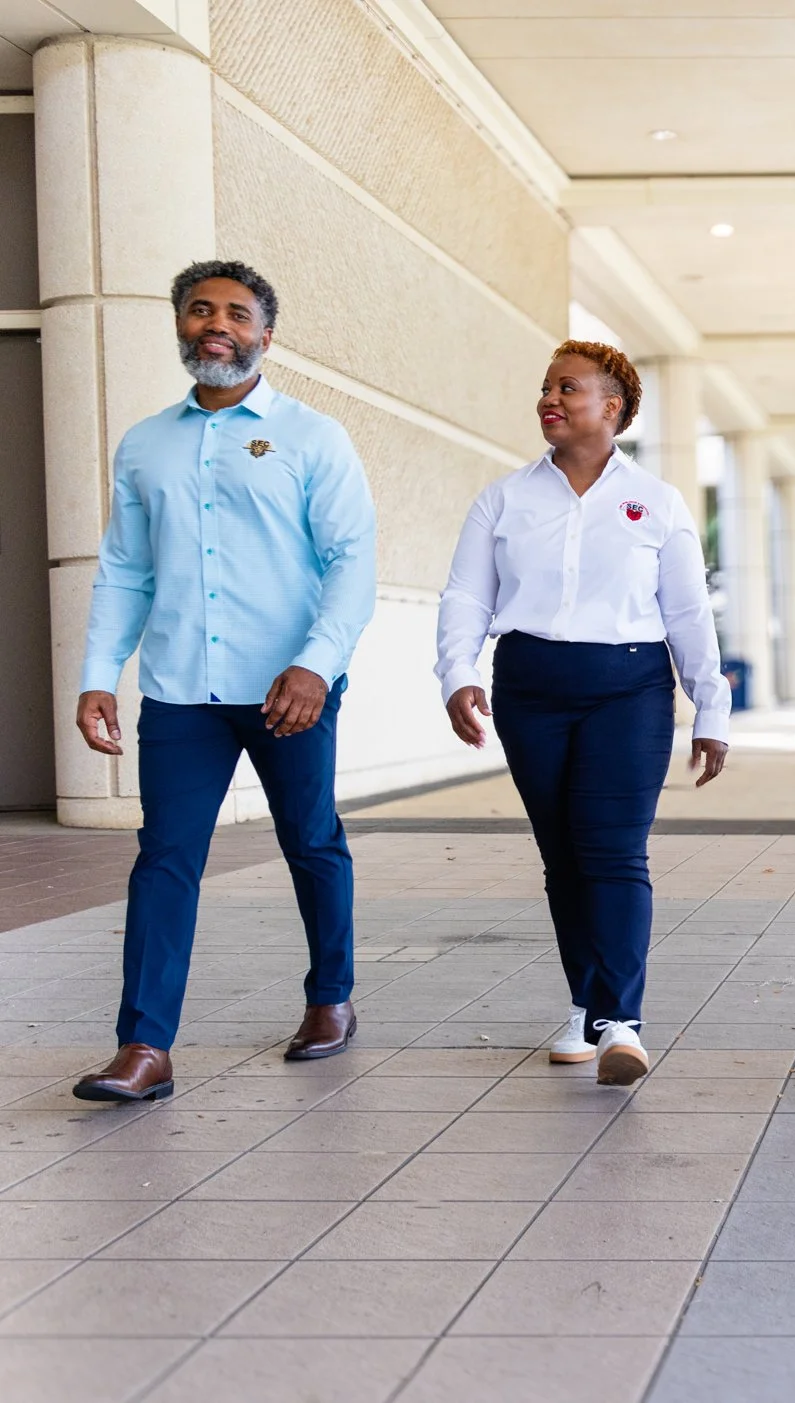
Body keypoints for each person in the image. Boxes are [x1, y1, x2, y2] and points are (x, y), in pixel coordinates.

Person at [72, 261, 377, 1103]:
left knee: (311, 841)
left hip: (290, 687)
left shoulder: (313, 436)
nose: (217, 323)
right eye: (199, 309)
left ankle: (331, 998)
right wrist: (101, 675)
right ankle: (144, 1046)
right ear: (180, 327)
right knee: (164, 857)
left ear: (264, 336)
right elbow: (124, 569)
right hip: (179, 688)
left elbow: (353, 562)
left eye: (236, 313)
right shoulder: (144, 443)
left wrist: (318, 662)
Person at [436, 341, 729, 1087]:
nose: (550, 399)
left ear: (615, 408)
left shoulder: (657, 502)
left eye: (568, 388)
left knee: (614, 852)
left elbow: (687, 610)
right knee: (562, 856)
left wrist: (710, 708)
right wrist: (458, 673)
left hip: (626, 687)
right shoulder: (503, 498)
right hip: (529, 684)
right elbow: (467, 595)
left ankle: (622, 1021)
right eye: (545, 387)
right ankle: (586, 1006)